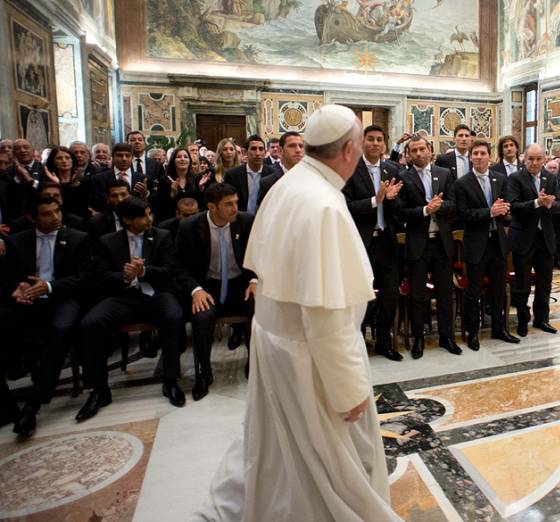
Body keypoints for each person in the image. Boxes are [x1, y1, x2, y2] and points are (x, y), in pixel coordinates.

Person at [198, 104, 401, 522]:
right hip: (309, 358)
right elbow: (326, 315)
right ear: (348, 149)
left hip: (277, 341)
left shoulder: (292, 184)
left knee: (278, 452)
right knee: (330, 468)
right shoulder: (323, 204)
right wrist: (349, 389)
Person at [76, 197, 187, 422]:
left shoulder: (161, 236)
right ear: (127, 220)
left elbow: (168, 270)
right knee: (90, 323)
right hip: (123, 296)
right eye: (143, 216)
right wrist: (125, 276)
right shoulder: (108, 241)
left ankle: (171, 380)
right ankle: (99, 389)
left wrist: (144, 271)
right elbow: (101, 275)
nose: (149, 219)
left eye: (150, 213)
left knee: (174, 316)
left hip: (156, 293)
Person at [5, 196, 91, 437]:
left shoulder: (77, 238)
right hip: (28, 300)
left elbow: (83, 279)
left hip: (63, 298)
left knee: (60, 330)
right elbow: (9, 276)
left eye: (57, 211)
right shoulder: (17, 242)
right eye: (46, 213)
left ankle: (34, 404)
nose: (55, 217)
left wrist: (50, 287)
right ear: (32, 217)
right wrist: (16, 289)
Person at [176, 183, 256, 401]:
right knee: (202, 317)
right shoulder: (189, 227)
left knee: (258, 309)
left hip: (239, 283)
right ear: (212, 207)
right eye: (228, 204)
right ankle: (203, 373)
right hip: (207, 285)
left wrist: (256, 280)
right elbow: (180, 266)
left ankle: (255, 365)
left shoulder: (246, 221)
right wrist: (196, 289)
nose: (234, 208)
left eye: (236, 202)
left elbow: (261, 255)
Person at [342, 125, 404, 361]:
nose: (375, 143)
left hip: (387, 241)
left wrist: (390, 200)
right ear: (362, 142)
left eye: (379, 139)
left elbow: (398, 210)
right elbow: (345, 206)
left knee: (390, 294)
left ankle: (384, 342)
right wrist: (374, 200)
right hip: (361, 243)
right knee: (360, 296)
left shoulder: (392, 169)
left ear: (385, 144)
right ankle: (357, 343)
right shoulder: (350, 169)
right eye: (370, 139)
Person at [396, 135, 461, 358]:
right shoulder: (403, 176)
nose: (419, 154)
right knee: (417, 294)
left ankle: (447, 337)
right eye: (414, 150)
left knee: (445, 292)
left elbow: (454, 206)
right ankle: (418, 339)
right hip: (417, 244)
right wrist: (425, 210)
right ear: (408, 154)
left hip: (441, 242)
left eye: (422, 149)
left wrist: (440, 207)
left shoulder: (444, 174)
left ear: (430, 150)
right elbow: (400, 212)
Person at [455, 139, 518, 350]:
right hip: (476, 244)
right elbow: (464, 214)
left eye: (483, 153)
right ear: (470, 157)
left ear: (490, 157)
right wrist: (489, 212)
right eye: (476, 154)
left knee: (499, 289)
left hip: (497, 242)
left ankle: (499, 329)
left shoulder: (500, 179)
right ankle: (472, 332)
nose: (479, 157)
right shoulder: (462, 183)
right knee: (473, 291)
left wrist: (506, 212)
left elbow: (507, 207)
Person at [505, 143, 560, 336]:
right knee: (522, 283)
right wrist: (536, 202)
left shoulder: (551, 177)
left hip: (545, 237)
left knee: (544, 281)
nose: (534, 163)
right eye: (531, 159)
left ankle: (542, 319)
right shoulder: (515, 178)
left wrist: (549, 205)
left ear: (545, 159)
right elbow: (513, 206)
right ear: (524, 159)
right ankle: (523, 320)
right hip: (523, 236)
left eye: (539, 159)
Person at [224, 136, 280, 215]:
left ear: (265, 152)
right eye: (253, 149)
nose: (257, 153)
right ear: (245, 152)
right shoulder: (232, 175)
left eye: (261, 149)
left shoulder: (274, 175)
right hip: (239, 220)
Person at [91, 142, 149, 211]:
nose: (124, 159)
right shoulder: (99, 178)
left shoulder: (143, 178)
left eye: (127, 155)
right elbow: (96, 203)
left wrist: (146, 194)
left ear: (132, 157)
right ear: (112, 157)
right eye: (119, 155)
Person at [9, 182, 87, 233]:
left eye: (56, 196)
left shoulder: (76, 223)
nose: (52, 199)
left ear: (62, 199)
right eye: (47, 196)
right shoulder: (20, 225)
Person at [257, 131, 304, 210]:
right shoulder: (268, 183)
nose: (298, 150)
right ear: (280, 151)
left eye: (301, 146)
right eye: (292, 146)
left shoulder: (315, 179)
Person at [45, 146, 92, 219]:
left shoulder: (83, 181)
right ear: (53, 161)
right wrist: (58, 184)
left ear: (72, 160)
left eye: (67, 158)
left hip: (82, 221)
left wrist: (75, 184)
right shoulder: (48, 182)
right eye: (59, 158)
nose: (64, 161)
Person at [156, 148, 201, 220]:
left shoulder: (197, 179)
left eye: (186, 157)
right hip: (171, 220)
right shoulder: (165, 180)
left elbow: (200, 203)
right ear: (173, 160)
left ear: (189, 161)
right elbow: (160, 206)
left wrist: (201, 189)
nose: (182, 159)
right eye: (179, 157)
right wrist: (172, 195)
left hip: (193, 220)